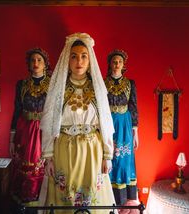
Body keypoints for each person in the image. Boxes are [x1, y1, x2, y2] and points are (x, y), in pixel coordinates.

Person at [40, 33, 117, 214]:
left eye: (84, 56)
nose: (79, 61)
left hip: (92, 151)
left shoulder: (96, 89)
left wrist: (108, 154)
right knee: (65, 196)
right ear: (67, 59)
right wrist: (48, 156)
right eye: (73, 56)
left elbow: (106, 123)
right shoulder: (59, 89)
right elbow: (50, 123)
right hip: (64, 151)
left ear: (90, 60)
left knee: (91, 196)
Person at [9, 48, 51, 205]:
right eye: (33, 60)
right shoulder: (22, 84)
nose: (36, 63)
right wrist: (11, 140)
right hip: (25, 131)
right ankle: (26, 202)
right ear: (28, 63)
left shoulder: (52, 84)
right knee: (25, 167)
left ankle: (44, 201)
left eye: (39, 60)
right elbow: (17, 111)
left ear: (45, 63)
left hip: (45, 130)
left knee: (44, 166)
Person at [105, 49, 139, 206]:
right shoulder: (102, 83)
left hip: (125, 123)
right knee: (109, 156)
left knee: (123, 158)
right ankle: (107, 195)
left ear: (123, 64)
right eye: (114, 61)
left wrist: (135, 132)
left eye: (119, 61)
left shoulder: (130, 84)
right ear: (110, 64)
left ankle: (124, 198)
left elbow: (133, 107)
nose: (117, 64)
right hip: (108, 122)